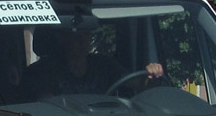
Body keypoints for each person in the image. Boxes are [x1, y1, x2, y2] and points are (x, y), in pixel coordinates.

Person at [25, 27, 163, 97]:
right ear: (62, 38)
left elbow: (137, 85)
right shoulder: (43, 71)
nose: (83, 41)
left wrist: (151, 78)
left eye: (86, 35)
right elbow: (45, 108)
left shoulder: (104, 64)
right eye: (76, 36)